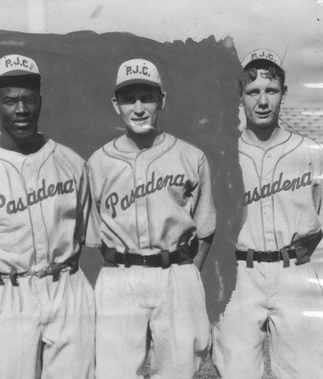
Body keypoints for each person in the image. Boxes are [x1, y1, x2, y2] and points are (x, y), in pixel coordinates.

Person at [0, 54, 95, 379]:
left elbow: (83, 234)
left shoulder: (72, 162)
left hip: (66, 288)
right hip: (5, 293)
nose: (20, 110)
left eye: (28, 99)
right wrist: (0, 289)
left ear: (40, 101)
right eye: (9, 100)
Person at [86, 58, 216, 379]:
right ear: (116, 104)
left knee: (179, 370)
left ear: (162, 100)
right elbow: (90, 236)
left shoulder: (190, 156)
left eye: (148, 97)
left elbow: (206, 228)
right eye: (129, 99)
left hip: (176, 274)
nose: (139, 107)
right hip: (120, 275)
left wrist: (186, 275)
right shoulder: (98, 162)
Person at [212, 49, 323, 379]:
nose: (262, 101)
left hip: (295, 273)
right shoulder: (221, 154)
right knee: (236, 372)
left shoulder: (310, 152)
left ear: (284, 94)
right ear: (240, 95)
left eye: (271, 91)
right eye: (253, 91)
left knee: (307, 371)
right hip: (238, 276)